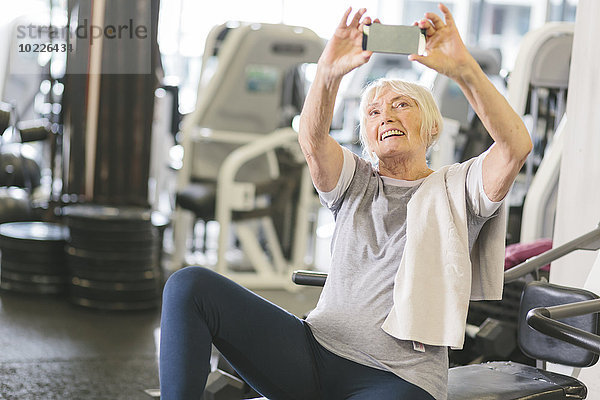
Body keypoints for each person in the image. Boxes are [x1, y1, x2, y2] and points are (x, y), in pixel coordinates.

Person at [159, 4, 532, 400]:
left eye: (401, 105)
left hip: (398, 378)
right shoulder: (356, 181)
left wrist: (463, 69)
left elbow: (514, 147)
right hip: (314, 352)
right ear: (368, 138)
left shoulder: (457, 189)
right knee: (189, 285)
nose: (385, 115)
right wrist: (329, 70)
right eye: (373, 112)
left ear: (432, 126)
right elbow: (313, 139)